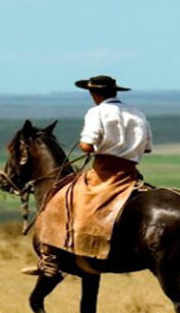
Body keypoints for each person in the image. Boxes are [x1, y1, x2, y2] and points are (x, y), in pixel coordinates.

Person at [33, 75, 153, 277]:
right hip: (131, 172)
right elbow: (147, 148)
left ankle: (50, 257)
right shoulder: (137, 113)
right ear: (115, 92)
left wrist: (90, 145)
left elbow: (87, 146)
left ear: (94, 94)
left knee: (58, 199)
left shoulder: (96, 112)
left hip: (104, 173)